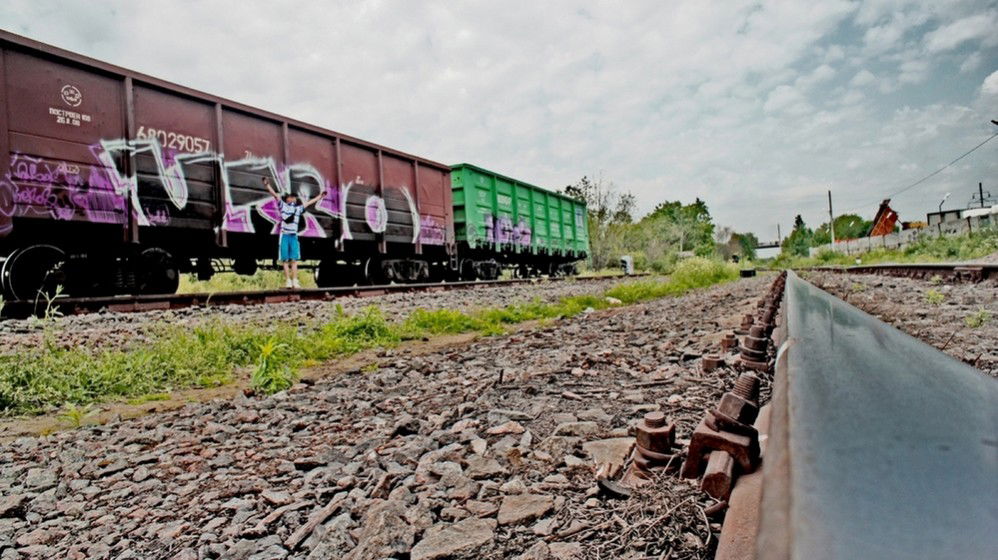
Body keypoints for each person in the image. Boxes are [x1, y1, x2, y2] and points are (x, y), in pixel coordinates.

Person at [263, 176, 324, 289]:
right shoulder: (283, 206)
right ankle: (288, 281)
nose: (293, 199)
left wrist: (320, 196)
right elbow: (275, 196)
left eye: (294, 198)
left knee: (294, 260)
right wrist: (267, 185)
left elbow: (309, 203)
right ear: (287, 199)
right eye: (291, 197)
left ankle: (295, 281)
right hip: (285, 235)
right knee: (285, 260)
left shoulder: (298, 209)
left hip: (293, 236)